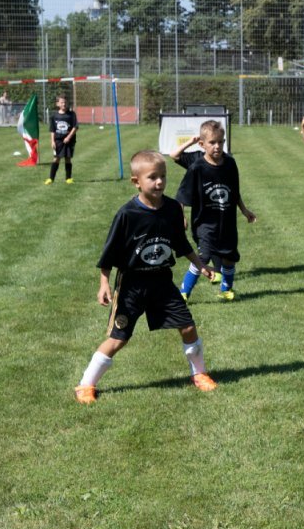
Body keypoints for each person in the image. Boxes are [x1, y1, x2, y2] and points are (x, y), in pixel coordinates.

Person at [73, 150, 219, 405]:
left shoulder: (173, 208)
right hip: (132, 284)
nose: (160, 182)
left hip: (162, 281)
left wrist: (200, 265)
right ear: (136, 182)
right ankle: (86, 384)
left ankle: (200, 374)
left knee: (187, 326)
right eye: (152, 177)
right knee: (119, 339)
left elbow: (181, 243)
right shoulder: (127, 214)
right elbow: (109, 253)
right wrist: (104, 283)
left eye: (163, 176)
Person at [169, 121, 256, 302]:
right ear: (202, 144)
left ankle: (226, 289)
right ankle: (184, 292)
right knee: (204, 257)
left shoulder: (230, 164)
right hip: (204, 222)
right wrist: (181, 216)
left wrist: (244, 209)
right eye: (212, 143)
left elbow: (234, 191)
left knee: (229, 258)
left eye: (221, 142)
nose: (217, 146)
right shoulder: (197, 168)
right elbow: (182, 194)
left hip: (227, 221)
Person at [45, 95, 79, 185]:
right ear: (57, 104)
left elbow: (75, 127)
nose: (64, 104)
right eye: (62, 102)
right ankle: (51, 179)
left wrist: (68, 137)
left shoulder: (72, 114)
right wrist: (52, 141)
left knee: (68, 159)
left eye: (65, 102)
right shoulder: (54, 116)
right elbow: (52, 130)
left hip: (69, 140)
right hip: (58, 141)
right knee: (56, 158)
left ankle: (68, 178)